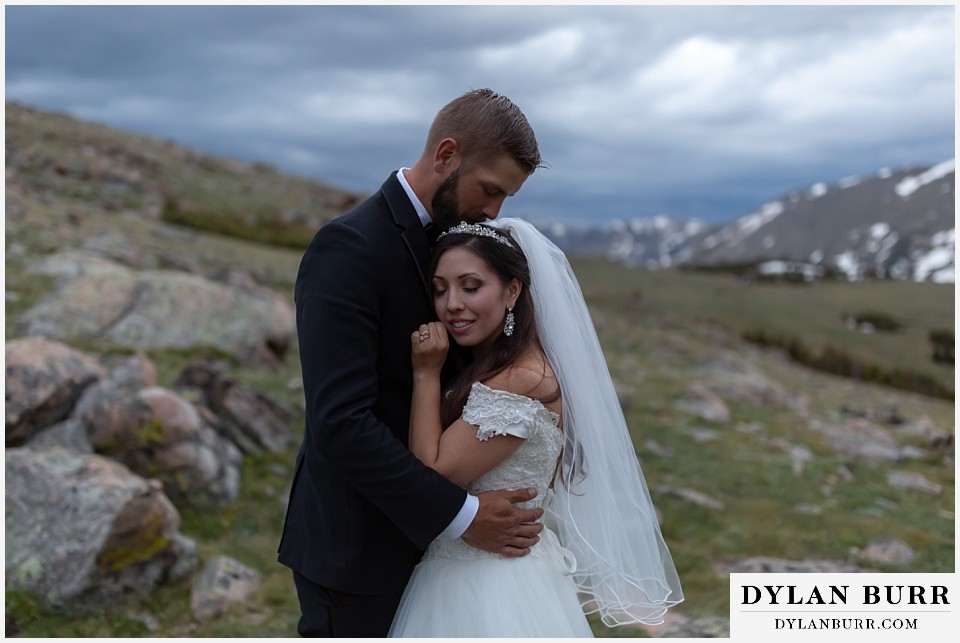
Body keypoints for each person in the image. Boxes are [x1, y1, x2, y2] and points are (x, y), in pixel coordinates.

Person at [277, 89, 548, 637]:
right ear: (446, 155)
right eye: (490, 190)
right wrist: (463, 515)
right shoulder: (349, 247)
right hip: (358, 549)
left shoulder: (459, 240)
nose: (495, 212)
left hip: (438, 560)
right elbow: (340, 423)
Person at [388, 220, 684, 637]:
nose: (452, 303)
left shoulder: (521, 378)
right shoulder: (498, 367)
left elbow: (432, 471)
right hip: (482, 570)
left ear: (512, 291)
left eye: (470, 287)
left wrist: (425, 373)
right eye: (440, 289)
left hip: (488, 584)